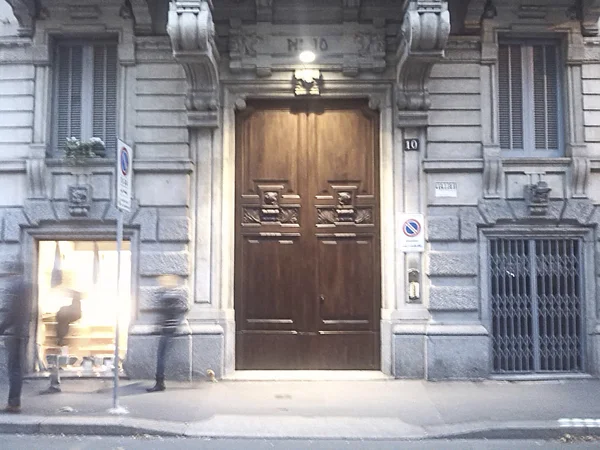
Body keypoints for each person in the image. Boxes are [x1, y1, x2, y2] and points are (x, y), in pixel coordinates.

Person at [146, 275, 188, 393]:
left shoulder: (168, 295)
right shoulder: (175, 294)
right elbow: (183, 308)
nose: (160, 283)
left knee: (161, 356)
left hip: (168, 328)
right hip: (170, 328)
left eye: (162, 281)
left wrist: (161, 325)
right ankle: (160, 382)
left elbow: (165, 312)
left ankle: (160, 382)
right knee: (162, 355)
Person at [0, 262, 30, 413]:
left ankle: (13, 403)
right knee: (16, 368)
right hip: (21, 333)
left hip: (14, 334)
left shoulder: (16, 287)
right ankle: (14, 402)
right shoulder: (25, 286)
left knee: (14, 369)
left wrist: (2, 327)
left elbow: (12, 313)